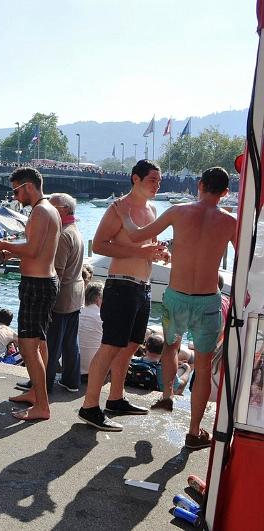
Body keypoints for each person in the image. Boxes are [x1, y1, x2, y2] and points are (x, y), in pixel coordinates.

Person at [115, 166, 237, 448]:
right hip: (208, 299)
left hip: (176, 297)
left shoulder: (178, 212)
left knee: (171, 346)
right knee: (204, 367)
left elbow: (136, 235)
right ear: (226, 193)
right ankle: (194, 432)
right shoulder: (230, 222)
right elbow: (247, 261)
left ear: (200, 185)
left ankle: (167, 395)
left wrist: (124, 215)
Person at [77, 160, 168, 432]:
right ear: (135, 179)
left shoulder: (152, 209)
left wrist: (157, 251)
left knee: (130, 346)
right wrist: (141, 252)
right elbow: (101, 244)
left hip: (144, 286)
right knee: (111, 346)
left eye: (158, 180)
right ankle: (89, 405)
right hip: (121, 285)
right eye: (152, 179)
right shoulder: (118, 208)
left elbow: (143, 245)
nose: (157, 184)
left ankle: (116, 398)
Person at [0, 167, 60, 421]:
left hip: (38, 285)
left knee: (29, 347)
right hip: (43, 282)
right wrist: (12, 251)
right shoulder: (48, 209)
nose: (15, 197)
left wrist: (3, 245)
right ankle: (37, 393)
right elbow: (37, 249)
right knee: (39, 343)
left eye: (16, 191)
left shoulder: (41, 210)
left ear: (28, 186)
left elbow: (31, 249)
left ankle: (42, 406)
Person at [45, 193, 84, 393]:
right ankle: (71, 381)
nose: (49, 211)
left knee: (52, 343)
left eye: (53, 208)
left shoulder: (62, 235)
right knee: (70, 342)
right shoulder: (74, 230)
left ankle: (44, 383)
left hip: (63, 296)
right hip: (76, 294)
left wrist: (47, 301)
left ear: (65, 210)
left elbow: (56, 272)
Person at [78, 281, 104, 379]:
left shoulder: (77, 312)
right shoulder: (101, 317)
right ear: (98, 298)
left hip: (71, 366)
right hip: (92, 369)